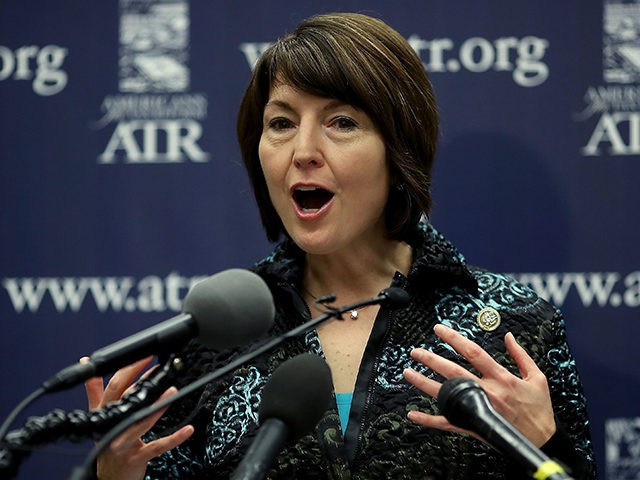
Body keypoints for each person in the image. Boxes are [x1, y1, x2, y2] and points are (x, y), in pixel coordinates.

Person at [85, 12, 597, 479]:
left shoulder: (514, 326)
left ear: (398, 151)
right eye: (281, 123)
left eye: (342, 122)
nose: (303, 151)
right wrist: (116, 474)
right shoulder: (218, 336)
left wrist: (548, 447)